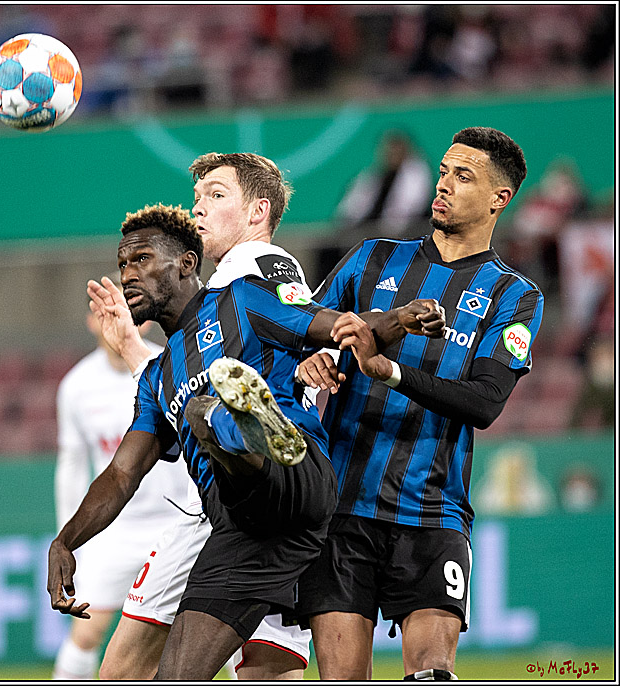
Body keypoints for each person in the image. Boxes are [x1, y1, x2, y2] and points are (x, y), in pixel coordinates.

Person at [47, 198, 445, 679]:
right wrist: (66, 541)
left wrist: (400, 318)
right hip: (240, 531)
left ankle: (250, 430)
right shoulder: (155, 378)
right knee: (177, 675)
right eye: (123, 264)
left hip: (298, 479)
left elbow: (335, 327)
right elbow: (121, 474)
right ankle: (236, 427)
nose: (129, 274)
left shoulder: (241, 299)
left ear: (186, 264)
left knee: (206, 415)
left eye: (142, 259)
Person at [294, 126, 544, 681]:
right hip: (343, 508)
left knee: (433, 672)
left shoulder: (515, 295)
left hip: (433, 513)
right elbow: (300, 334)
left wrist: (391, 371)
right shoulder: (372, 258)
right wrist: (311, 362)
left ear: (499, 199)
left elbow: (485, 403)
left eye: (464, 177)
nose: (444, 185)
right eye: (444, 172)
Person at [90, 156, 323, 681]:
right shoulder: (217, 292)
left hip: (261, 493)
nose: (199, 208)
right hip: (213, 505)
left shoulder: (260, 262)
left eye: (216, 195)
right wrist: (133, 349)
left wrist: (326, 351)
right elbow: (184, 378)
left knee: (253, 669)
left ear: (258, 212)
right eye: (198, 197)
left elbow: (304, 320)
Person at [51, 306, 188, 680]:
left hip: (176, 522)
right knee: (86, 630)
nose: (113, 322)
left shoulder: (170, 364)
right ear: (91, 321)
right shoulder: (76, 386)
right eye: (105, 314)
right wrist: (70, 538)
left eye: (123, 313)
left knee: (209, 631)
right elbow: (71, 465)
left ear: (142, 320)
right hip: (113, 529)